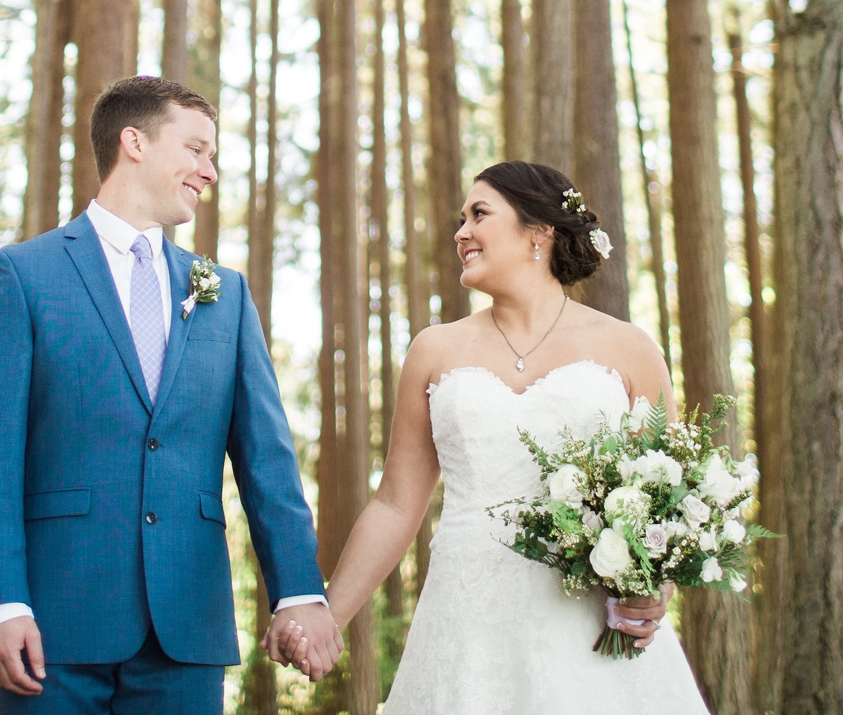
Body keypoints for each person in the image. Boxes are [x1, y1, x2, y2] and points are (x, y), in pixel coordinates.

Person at [0, 76, 342, 714]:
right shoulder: (23, 274)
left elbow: (266, 460)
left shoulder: (225, 292)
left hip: (186, 628)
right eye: (196, 149)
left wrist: (298, 591)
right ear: (133, 141)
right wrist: (1, 603)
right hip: (52, 627)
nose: (208, 170)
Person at [279, 160, 711, 714]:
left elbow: (669, 500)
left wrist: (656, 587)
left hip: (589, 629)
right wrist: (327, 616)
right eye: (461, 219)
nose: (461, 232)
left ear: (540, 232)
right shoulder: (434, 350)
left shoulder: (629, 349)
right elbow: (395, 504)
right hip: (465, 629)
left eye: (479, 214)